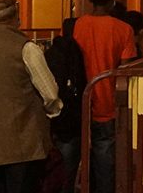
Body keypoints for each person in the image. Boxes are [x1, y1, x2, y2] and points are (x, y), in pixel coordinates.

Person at [0, 0, 63, 193]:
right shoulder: (27, 49)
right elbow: (51, 95)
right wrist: (53, 115)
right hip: (25, 148)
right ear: (17, 9)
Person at [73, 0, 137, 193]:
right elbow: (126, 69)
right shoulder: (123, 29)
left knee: (77, 163)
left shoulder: (78, 26)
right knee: (105, 166)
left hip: (79, 105)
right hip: (108, 106)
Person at [43, 18, 87, 193]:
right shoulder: (75, 52)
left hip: (52, 120)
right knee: (67, 171)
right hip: (71, 120)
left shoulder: (50, 52)